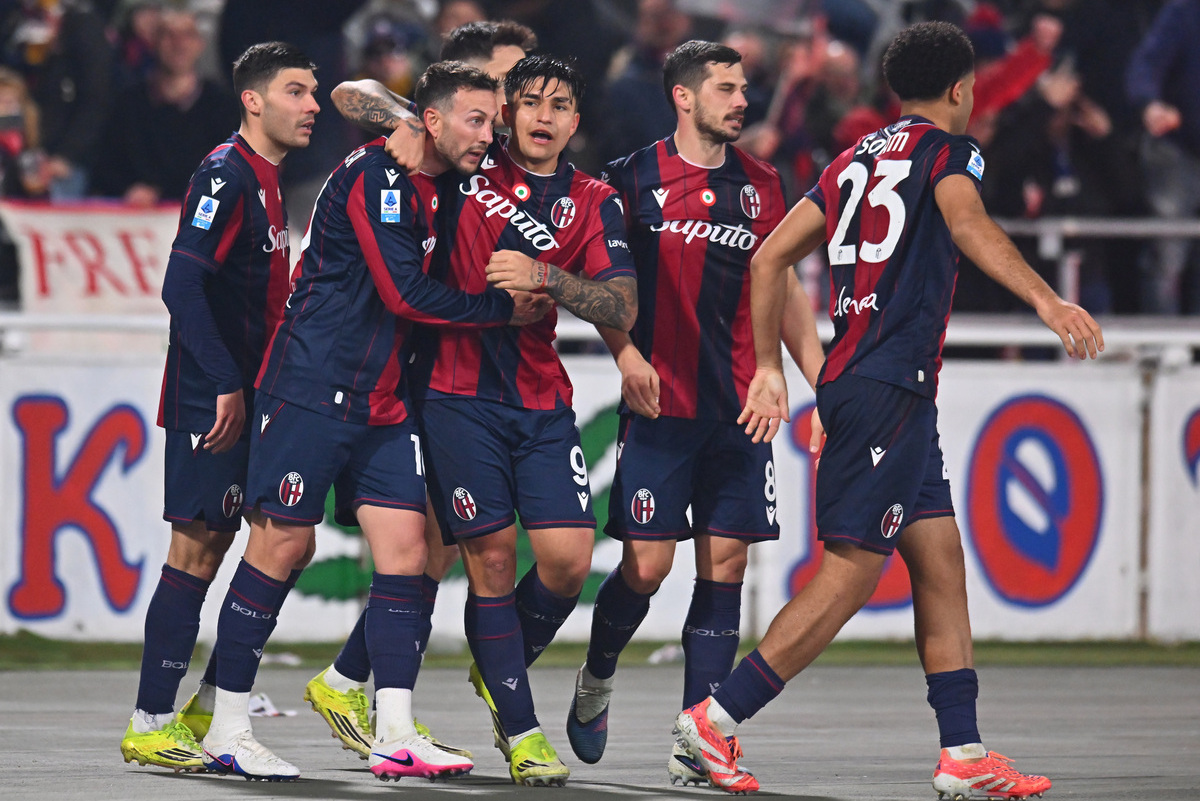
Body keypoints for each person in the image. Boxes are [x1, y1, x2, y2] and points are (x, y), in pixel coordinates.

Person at [673, 21, 1104, 795]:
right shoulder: (949, 151)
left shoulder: (853, 157)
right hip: (888, 386)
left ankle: (963, 755)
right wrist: (1046, 298)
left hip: (863, 381)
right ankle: (714, 720)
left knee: (939, 559)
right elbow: (967, 222)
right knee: (849, 575)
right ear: (962, 88)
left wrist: (771, 367)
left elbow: (769, 255)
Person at [198, 61, 547, 782]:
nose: (492, 134)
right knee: (280, 546)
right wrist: (499, 313)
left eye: (494, 121)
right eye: (477, 121)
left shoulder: (442, 173)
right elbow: (405, 294)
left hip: (383, 400)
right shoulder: (371, 176)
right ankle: (226, 723)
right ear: (435, 120)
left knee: (408, 545)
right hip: (309, 384)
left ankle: (392, 728)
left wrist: (406, 118)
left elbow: (365, 100)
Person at [563, 40, 825, 786]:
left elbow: (791, 293)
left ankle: (698, 737)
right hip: (661, 400)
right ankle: (597, 670)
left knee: (727, 566)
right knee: (645, 567)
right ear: (683, 96)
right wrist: (624, 352)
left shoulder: (767, 185)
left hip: (740, 404)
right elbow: (595, 275)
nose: (741, 100)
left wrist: (815, 382)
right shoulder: (628, 178)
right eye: (725, 88)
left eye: (745, 88)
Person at [300, 20, 539, 763]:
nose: (513, 102)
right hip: (415, 364)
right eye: (503, 83)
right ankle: (356, 697)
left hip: (449, 365)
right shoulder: (431, 137)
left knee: (430, 541)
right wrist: (406, 122)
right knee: (423, 541)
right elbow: (350, 92)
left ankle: (351, 680)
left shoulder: (495, 146)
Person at [117, 40, 319, 775]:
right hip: (216, 398)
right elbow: (181, 286)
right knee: (196, 553)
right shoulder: (224, 175)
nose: (313, 104)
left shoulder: (267, 178)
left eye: (313, 90)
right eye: (296, 90)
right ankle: (151, 719)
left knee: (282, 543)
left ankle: (207, 704)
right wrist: (224, 383)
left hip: (252, 392)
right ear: (254, 99)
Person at [94, 8, 238, 205]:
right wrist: (128, 190)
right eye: (168, 35)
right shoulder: (127, 104)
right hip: (139, 224)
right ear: (153, 43)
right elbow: (105, 164)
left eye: (187, 35)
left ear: (199, 45)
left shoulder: (223, 106)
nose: (178, 44)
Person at [1126, 0, 1200, 314]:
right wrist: (1150, 104)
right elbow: (1145, 65)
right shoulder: (1185, 11)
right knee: (1167, 255)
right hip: (1178, 148)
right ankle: (1164, 342)